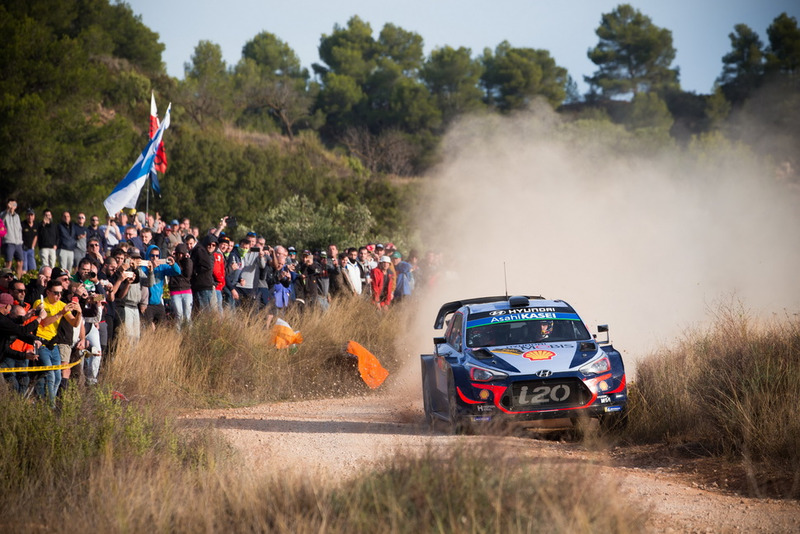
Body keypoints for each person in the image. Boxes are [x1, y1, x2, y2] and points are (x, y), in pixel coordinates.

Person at [33, 280, 80, 404]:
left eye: (61, 293)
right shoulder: (41, 303)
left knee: (58, 376)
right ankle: (50, 406)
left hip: (53, 345)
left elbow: (74, 323)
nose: (59, 296)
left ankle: (49, 403)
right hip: (41, 343)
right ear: (48, 292)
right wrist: (61, 313)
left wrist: (79, 312)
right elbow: (44, 322)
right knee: (50, 376)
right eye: (55, 293)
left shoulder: (61, 304)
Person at [168, 243, 193, 328]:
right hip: (175, 291)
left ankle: (189, 334)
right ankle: (178, 335)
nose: (180, 256)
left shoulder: (188, 262)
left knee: (187, 316)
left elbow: (188, 274)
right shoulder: (172, 262)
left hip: (186, 290)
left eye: (182, 253)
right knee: (179, 315)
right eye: (178, 253)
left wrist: (187, 260)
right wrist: (172, 258)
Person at [190, 234, 216, 311]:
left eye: (213, 245)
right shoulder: (204, 252)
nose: (210, 246)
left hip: (202, 285)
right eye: (209, 244)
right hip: (204, 285)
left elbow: (207, 266)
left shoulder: (199, 250)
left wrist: (195, 272)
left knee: (203, 311)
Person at [1, 199, 24, 279]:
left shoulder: (17, 216)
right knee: (8, 262)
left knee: (20, 262)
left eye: (14, 204)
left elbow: (19, 229)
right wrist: (8, 209)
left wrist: (20, 240)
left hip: (18, 243)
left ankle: (18, 280)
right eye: (11, 203)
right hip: (9, 241)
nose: (13, 205)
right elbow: (1, 220)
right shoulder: (4, 214)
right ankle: (6, 280)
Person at [21, 208, 38, 273]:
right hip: (23, 249)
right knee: (24, 267)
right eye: (28, 215)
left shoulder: (35, 225)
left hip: (31, 249)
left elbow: (36, 236)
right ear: (26, 216)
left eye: (31, 215)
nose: (30, 217)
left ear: (34, 216)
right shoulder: (22, 224)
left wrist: (33, 246)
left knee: (33, 267)